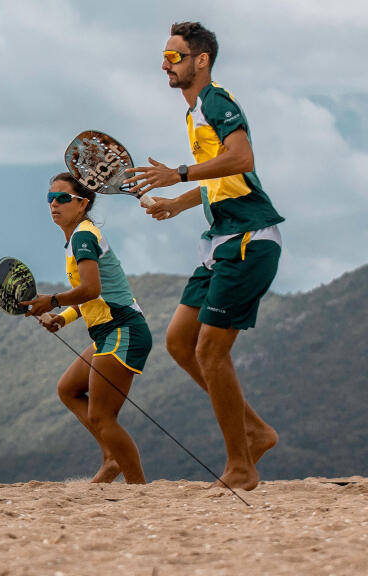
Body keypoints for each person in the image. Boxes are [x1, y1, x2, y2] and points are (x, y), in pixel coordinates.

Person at [125, 21, 282, 491]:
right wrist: (178, 202)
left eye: (174, 56)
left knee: (211, 351)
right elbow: (222, 177)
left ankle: (241, 466)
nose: (164, 64)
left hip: (250, 238)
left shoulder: (216, 101)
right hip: (220, 240)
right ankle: (255, 431)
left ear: (201, 60)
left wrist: (178, 173)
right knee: (178, 341)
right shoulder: (195, 113)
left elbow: (242, 159)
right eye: (164, 56)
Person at [25, 174, 151, 484]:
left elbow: (91, 289)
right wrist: (61, 317)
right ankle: (112, 458)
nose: (54, 203)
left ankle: (138, 489)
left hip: (123, 329)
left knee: (101, 416)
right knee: (68, 389)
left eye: (63, 198)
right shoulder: (76, 238)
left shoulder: (83, 237)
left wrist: (52, 300)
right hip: (108, 332)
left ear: (83, 204)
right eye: (50, 198)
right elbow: (90, 296)